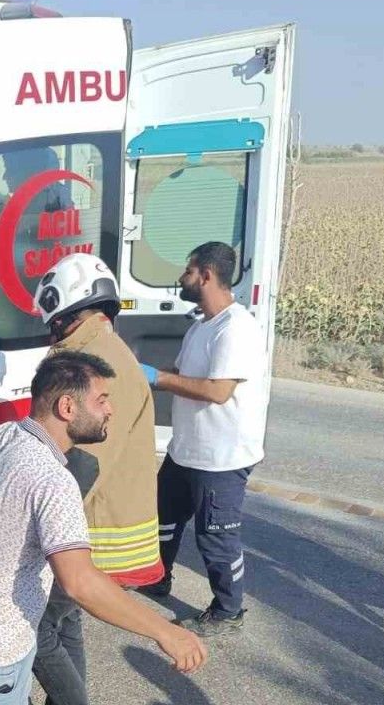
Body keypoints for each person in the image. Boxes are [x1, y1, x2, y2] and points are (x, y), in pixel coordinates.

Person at [0, 352, 207, 704]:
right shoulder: (53, 480)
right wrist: (165, 632)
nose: (110, 410)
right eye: (101, 400)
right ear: (67, 407)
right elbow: (79, 582)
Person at [31, 253, 161, 705]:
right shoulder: (105, 350)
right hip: (99, 524)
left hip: (95, 527)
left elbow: (85, 463)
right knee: (66, 622)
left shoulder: (97, 364)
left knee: (37, 623)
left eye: (53, 323)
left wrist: (35, 516)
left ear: (65, 312)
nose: (51, 333)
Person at [138, 241, 267, 637]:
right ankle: (156, 578)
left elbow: (217, 391)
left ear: (206, 275)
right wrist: (137, 376)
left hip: (221, 458)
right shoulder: (201, 326)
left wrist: (158, 378)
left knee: (216, 537)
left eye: (188, 271)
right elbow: (182, 373)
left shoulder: (235, 328)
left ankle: (228, 612)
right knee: (163, 517)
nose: (182, 277)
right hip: (187, 450)